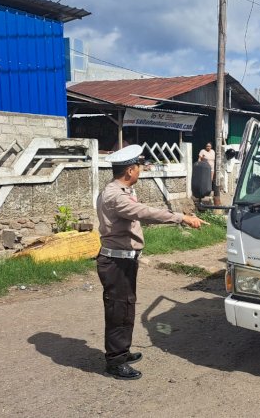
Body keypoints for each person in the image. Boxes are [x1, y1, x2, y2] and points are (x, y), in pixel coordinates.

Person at [97, 145, 206, 380]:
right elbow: (145, 213)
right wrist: (182, 217)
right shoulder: (116, 196)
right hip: (116, 262)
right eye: (138, 168)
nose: (140, 172)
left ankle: (122, 351)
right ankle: (115, 361)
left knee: (125, 308)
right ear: (129, 170)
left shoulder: (121, 190)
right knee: (118, 311)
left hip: (123, 260)